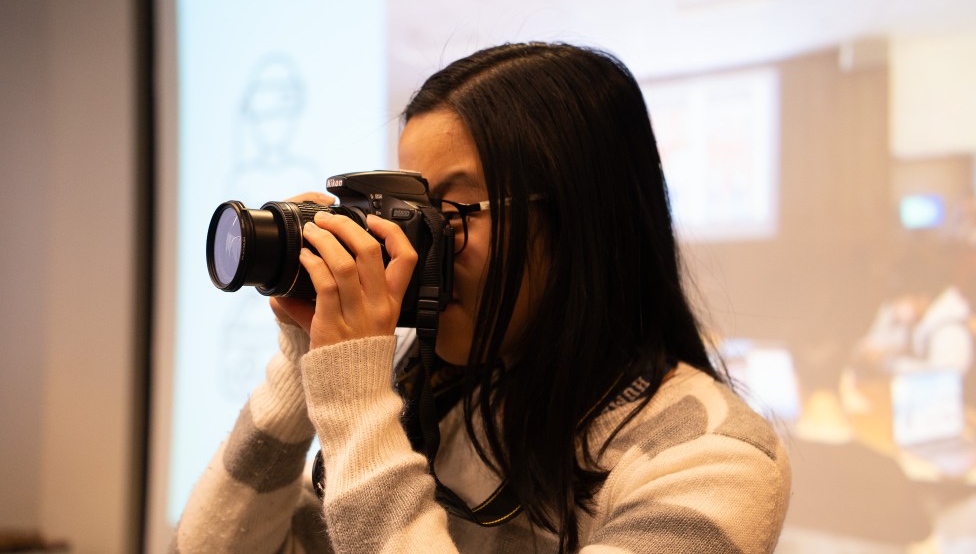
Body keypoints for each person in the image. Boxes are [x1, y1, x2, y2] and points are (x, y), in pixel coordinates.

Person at [172, 42, 791, 554]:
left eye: (455, 208)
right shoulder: (426, 396)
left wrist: (358, 410)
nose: (423, 243)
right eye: (415, 206)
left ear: (583, 221)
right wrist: (304, 363)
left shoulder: (714, 459)